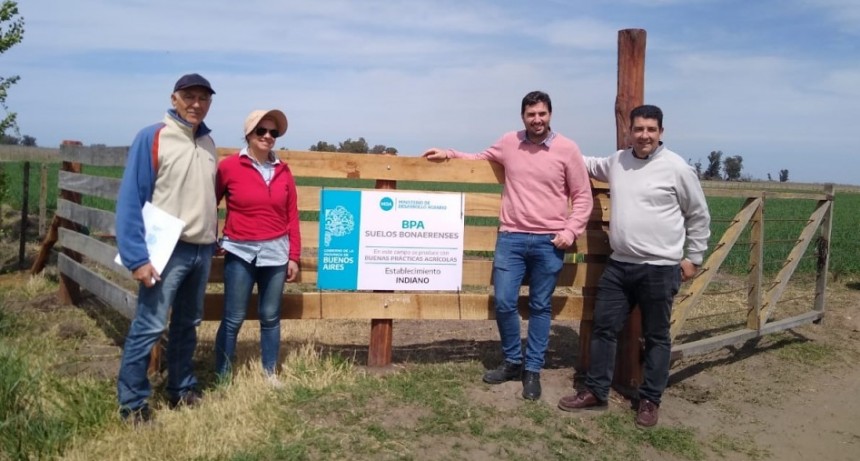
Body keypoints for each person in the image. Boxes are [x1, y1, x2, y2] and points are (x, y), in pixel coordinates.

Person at [423, 91, 593, 400]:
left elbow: (582, 196)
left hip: (549, 241)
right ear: (523, 117)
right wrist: (448, 153)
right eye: (531, 114)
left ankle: (533, 369)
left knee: (541, 306)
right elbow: (478, 159)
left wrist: (570, 232)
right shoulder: (509, 142)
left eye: (542, 114)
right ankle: (513, 361)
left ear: (550, 115)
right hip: (511, 237)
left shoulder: (568, 149)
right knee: (503, 301)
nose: (537, 119)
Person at [557, 104, 711, 427]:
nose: (644, 136)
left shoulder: (677, 168)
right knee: (603, 327)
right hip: (620, 265)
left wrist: (694, 258)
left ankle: (650, 400)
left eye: (651, 130)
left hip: (660, 267)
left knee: (656, 337)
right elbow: (587, 164)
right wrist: (556, 148)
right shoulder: (618, 161)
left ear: (661, 133)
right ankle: (597, 391)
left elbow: (698, 215)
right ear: (630, 131)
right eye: (638, 129)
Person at [115, 73, 219, 425]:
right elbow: (132, 198)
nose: (196, 104)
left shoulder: (208, 144)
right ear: (174, 98)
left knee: (188, 323)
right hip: (166, 251)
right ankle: (132, 402)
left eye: (203, 98)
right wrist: (137, 258)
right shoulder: (153, 136)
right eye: (189, 97)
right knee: (149, 324)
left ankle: (181, 388)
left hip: (201, 250)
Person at [213, 109, 301, 384]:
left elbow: (292, 216)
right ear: (248, 134)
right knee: (233, 316)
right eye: (261, 131)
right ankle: (223, 375)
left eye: (273, 132)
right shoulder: (228, 167)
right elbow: (209, 205)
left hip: (276, 252)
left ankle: (269, 373)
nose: (267, 136)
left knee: (270, 316)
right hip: (239, 251)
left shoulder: (284, 171)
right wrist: (213, 238)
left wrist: (294, 256)